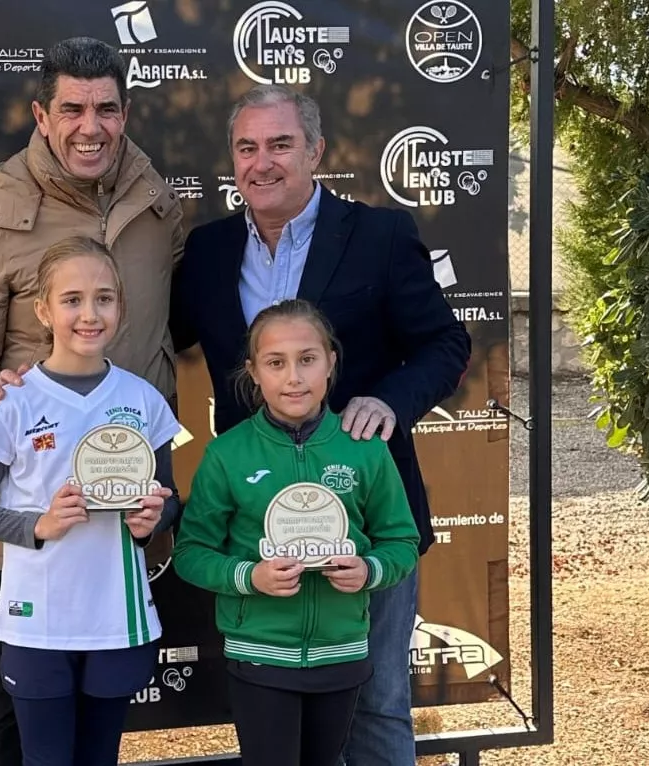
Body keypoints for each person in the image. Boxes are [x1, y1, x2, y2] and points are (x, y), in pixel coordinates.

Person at [169, 84, 471, 765]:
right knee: (277, 724)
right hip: (256, 536)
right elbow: (146, 340)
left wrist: (390, 401)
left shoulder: (380, 236)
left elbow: (445, 344)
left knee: (379, 703)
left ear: (316, 152)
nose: (262, 162)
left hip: (367, 515)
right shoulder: (210, 252)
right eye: (247, 147)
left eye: (280, 144)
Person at [0, 37, 185, 766]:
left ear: (126, 111)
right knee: (25, 717)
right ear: (42, 115)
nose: (91, 126)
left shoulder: (154, 198)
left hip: (125, 520)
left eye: (107, 108)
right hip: (38, 511)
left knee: (104, 711)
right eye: (72, 109)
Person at [0, 236, 181, 766]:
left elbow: (170, 503)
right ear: (43, 311)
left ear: (121, 307)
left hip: (117, 620)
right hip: (37, 622)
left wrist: (152, 519)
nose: (89, 314)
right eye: (72, 299)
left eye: (104, 298)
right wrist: (41, 524)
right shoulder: (12, 401)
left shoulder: (142, 399)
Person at [172, 299, 421, 766]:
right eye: (276, 363)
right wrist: (251, 577)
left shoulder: (363, 450)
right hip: (260, 654)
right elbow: (191, 552)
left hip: (342, 653)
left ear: (330, 362)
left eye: (307, 359)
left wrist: (369, 570)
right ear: (253, 372)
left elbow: (402, 542)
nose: (293, 377)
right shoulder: (228, 454)